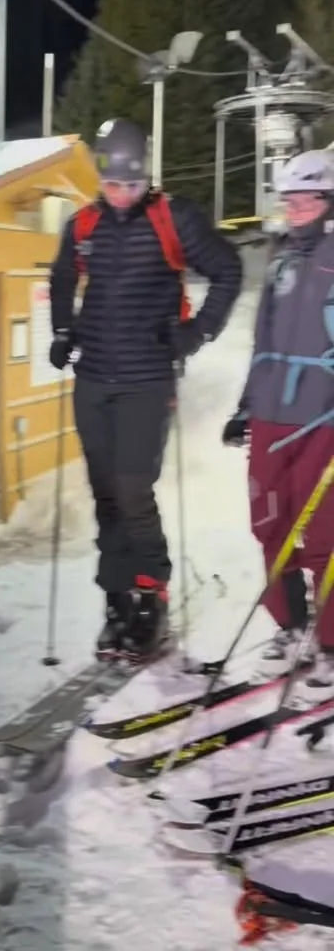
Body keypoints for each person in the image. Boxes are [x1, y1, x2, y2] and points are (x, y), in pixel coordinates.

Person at [49, 117, 243, 662]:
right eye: (112, 185)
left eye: (132, 185)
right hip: (93, 380)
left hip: (146, 380)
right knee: (106, 494)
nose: (121, 195)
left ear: (147, 178)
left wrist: (196, 333)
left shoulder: (173, 218)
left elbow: (228, 270)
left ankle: (151, 597)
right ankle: (116, 600)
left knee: (133, 489)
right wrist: (63, 331)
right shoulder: (84, 224)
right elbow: (61, 276)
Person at [223, 148, 334, 693]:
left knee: (325, 534)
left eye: (308, 200)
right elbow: (262, 340)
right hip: (270, 415)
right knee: (271, 525)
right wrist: (246, 405)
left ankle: (331, 643)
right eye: (290, 200)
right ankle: (290, 629)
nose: (296, 210)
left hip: (323, 415)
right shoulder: (280, 259)